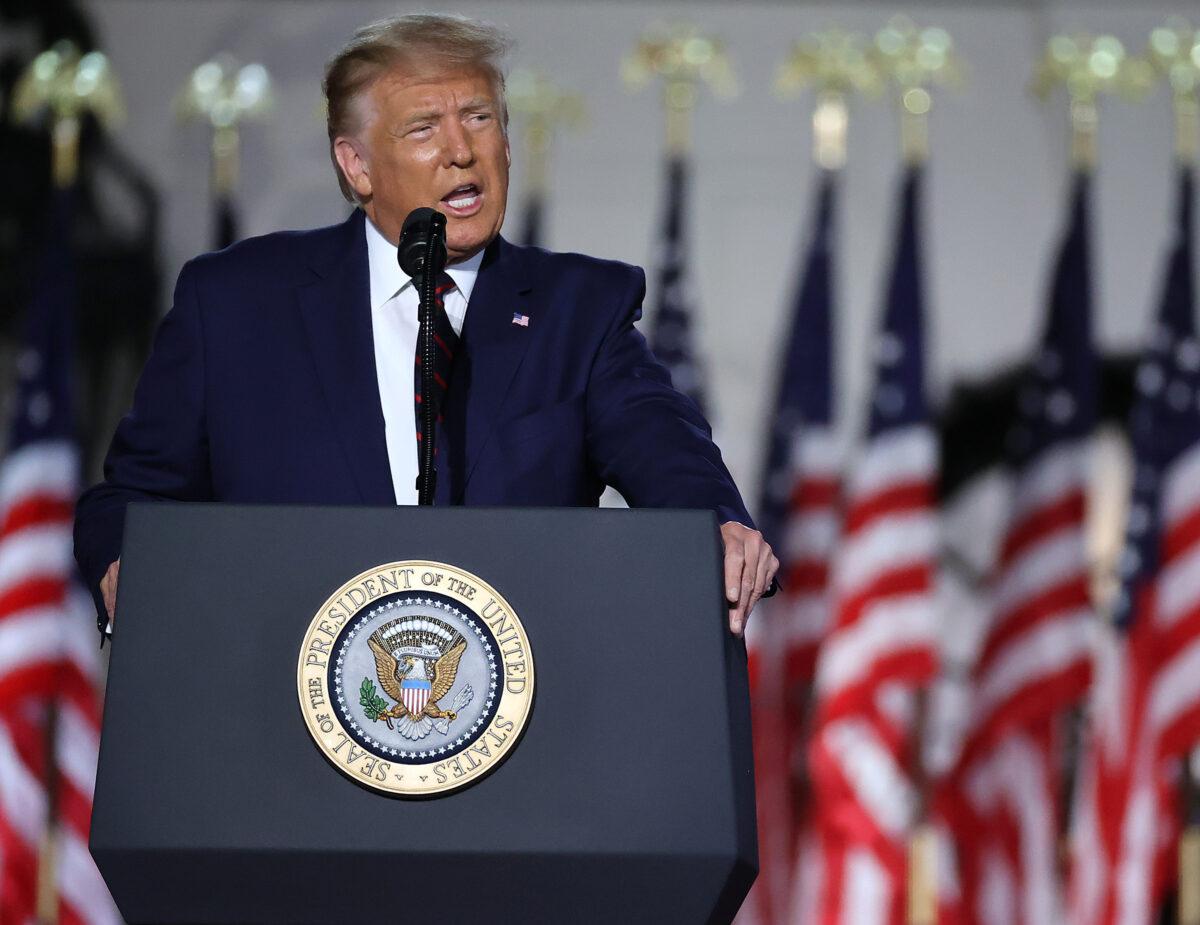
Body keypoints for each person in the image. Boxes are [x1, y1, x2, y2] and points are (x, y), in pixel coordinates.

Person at [73, 13, 777, 638]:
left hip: (522, 717)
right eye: (423, 128)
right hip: (278, 705)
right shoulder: (235, 304)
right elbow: (134, 495)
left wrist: (715, 523)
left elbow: (665, 447)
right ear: (356, 166)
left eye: (479, 118)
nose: (462, 150)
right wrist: (125, 562)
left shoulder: (576, 308)